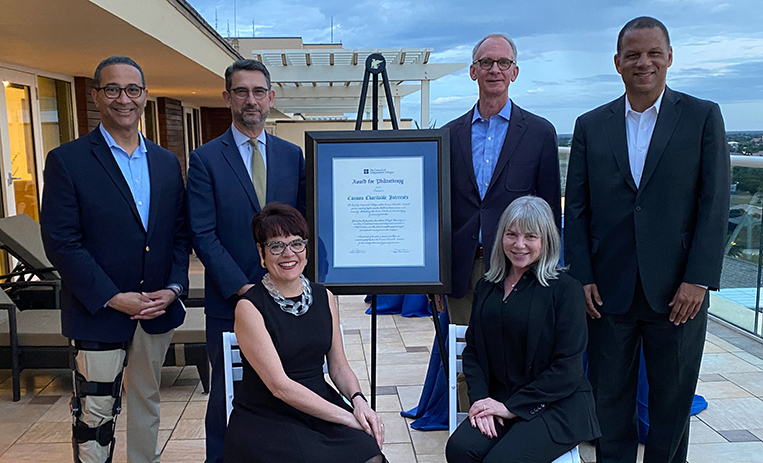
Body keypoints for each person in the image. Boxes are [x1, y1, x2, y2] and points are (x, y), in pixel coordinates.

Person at [564, 16, 730, 463]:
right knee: (608, 406)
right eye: (633, 54)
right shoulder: (590, 125)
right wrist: (580, 277)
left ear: (670, 57)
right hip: (607, 292)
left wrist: (698, 279)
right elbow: (576, 210)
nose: (644, 62)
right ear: (617, 63)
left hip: (679, 293)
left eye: (653, 52)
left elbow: (713, 205)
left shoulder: (702, 117)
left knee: (672, 407)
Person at [40, 56, 189, 463]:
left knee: (147, 401)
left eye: (133, 90)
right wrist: (112, 296)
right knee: (95, 411)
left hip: (156, 309)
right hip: (99, 310)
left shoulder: (165, 162)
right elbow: (61, 243)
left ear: (145, 95)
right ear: (95, 96)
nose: (124, 99)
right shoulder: (67, 161)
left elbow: (179, 234)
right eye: (113, 89)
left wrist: (174, 288)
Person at [186, 58, 306, 463]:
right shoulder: (204, 160)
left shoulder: (293, 157)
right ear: (227, 98)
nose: (250, 100)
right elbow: (202, 233)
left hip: (288, 303)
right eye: (241, 91)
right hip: (231, 303)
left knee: (285, 389)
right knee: (227, 397)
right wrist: (245, 290)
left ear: (271, 98)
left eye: (258, 91)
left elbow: (302, 227)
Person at [224, 202, 384, 463]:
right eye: (276, 245)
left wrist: (359, 402)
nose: (289, 254)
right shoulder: (249, 307)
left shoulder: (325, 297)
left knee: (370, 454)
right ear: (261, 253)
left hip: (318, 405)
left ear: (306, 248)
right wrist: (347, 417)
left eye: (296, 243)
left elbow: (339, 367)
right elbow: (280, 387)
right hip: (266, 415)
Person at [445, 196, 600, 463]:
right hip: (501, 399)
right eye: (511, 234)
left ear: (546, 240)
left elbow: (567, 368)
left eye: (530, 236)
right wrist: (483, 402)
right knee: (459, 450)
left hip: (555, 406)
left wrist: (510, 408)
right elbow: (473, 353)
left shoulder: (565, 290)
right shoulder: (487, 287)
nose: (519, 244)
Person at [434, 33, 561, 326]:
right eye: (486, 62)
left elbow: (550, 210)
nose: (495, 69)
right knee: (465, 360)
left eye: (503, 62)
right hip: (462, 270)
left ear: (514, 72)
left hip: (519, 269)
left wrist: (545, 274)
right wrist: (438, 279)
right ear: (473, 71)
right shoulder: (448, 135)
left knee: (516, 361)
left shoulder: (540, 134)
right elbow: (439, 210)